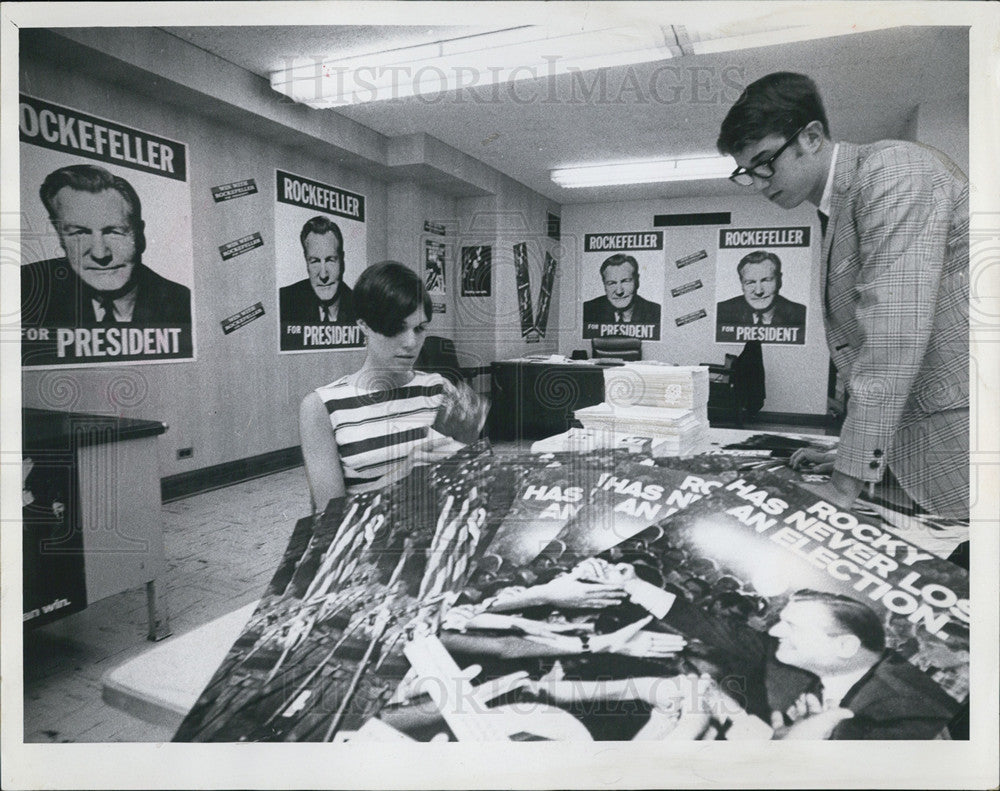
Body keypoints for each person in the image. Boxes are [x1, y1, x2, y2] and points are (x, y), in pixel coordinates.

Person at [718, 72, 969, 518]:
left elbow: (893, 340)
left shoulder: (893, 171)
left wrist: (843, 484)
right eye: (746, 172)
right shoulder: (839, 204)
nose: (758, 182)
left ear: (811, 137)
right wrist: (860, 459)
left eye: (765, 162)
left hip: (961, 442)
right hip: (917, 446)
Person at [298, 261, 486, 512]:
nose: (411, 343)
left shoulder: (441, 389)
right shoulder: (321, 407)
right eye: (396, 328)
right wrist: (401, 476)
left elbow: (472, 479)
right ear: (363, 325)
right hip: (370, 540)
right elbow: (328, 513)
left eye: (419, 328)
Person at [22, 164, 191, 328]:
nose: (100, 254)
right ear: (59, 234)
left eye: (113, 232)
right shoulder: (25, 288)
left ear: (139, 234)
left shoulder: (182, 303)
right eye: (80, 233)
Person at [279, 215, 356, 325]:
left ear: (342, 261)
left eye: (330, 260)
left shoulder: (361, 308)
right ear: (306, 262)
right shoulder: (283, 302)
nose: (323, 275)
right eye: (315, 261)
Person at [716, 250, 806, 327]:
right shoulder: (721, 312)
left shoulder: (800, 314)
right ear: (741, 283)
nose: (759, 291)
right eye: (750, 282)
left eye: (766, 280)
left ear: (779, 280)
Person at [582, 254, 661, 329]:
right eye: (611, 283)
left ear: (637, 281)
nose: (619, 291)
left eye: (625, 281)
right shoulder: (587, 311)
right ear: (604, 284)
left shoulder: (656, 313)